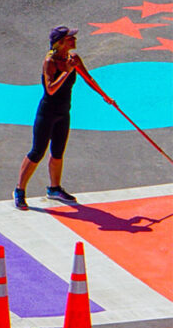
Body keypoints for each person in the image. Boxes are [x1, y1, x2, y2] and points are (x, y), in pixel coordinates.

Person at [14, 26, 114, 210]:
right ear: (60, 42)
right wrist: (67, 71)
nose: (74, 40)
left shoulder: (73, 59)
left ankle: (54, 189)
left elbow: (88, 78)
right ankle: (19, 190)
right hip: (47, 112)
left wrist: (104, 95)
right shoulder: (49, 62)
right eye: (70, 38)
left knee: (58, 152)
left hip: (63, 112)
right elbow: (50, 89)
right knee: (37, 152)